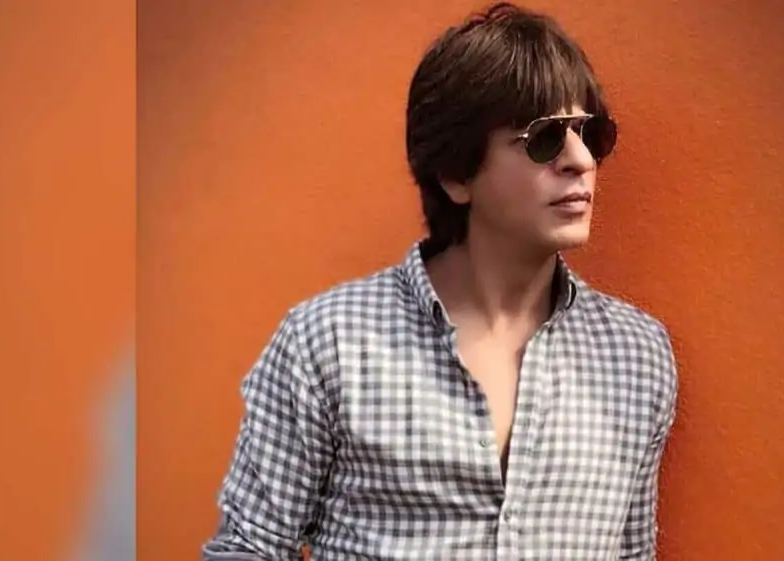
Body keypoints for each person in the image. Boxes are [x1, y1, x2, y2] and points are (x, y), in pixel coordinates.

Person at [202, 3, 679, 560]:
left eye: (589, 133)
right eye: (545, 138)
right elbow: (247, 548)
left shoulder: (637, 357)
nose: (580, 160)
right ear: (456, 173)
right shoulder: (330, 343)